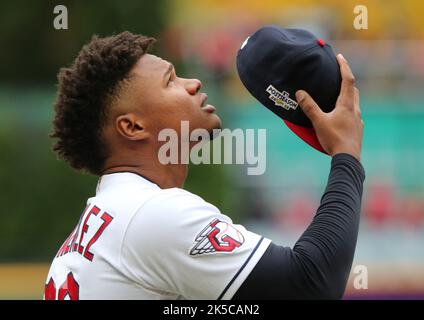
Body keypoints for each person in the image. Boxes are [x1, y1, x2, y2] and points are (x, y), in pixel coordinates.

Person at [44, 31, 364, 300]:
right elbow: (310, 285)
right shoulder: (151, 213)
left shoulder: (109, 218)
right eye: (170, 81)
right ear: (133, 127)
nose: (193, 82)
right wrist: (346, 154)